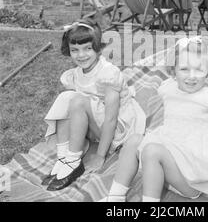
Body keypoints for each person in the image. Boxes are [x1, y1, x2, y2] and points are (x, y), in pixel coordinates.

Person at [100, 36, 208, 202]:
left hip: (193, 174)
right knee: (133, 141)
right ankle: (115, 197)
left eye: (199, 69)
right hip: (171, 155)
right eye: (184, 69)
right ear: (173, 70)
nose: (192, 76)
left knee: (151, 151)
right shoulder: (168, 88)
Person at [42, 18, 146, 191]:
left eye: (87, 48)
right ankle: (63, 157)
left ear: (98, 48)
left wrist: (100, 155)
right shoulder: (75, 74)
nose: (81, 55)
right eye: (75, 50)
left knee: (76, 101)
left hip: (118, 130)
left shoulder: (108, 74)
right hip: (97, 124)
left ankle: (74, 161)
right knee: (66, 97)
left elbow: (111, 118)